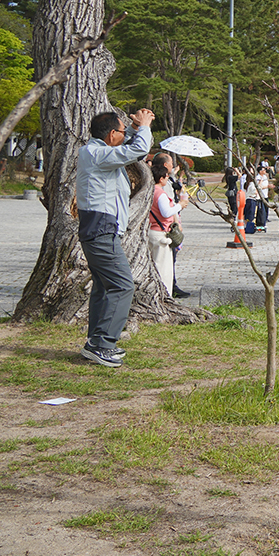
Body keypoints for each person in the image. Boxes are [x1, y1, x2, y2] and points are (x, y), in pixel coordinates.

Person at [77, 108, 154, 367]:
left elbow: (129, 146)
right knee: (122, 285)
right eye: (122, 132)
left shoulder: (97, 152)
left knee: (104, 287)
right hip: (102, 230)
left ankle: (95, 343)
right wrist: (143, 127)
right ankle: (103, 345)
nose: (125, 135)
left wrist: (132, 129)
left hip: (98, 229)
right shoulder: (98, 154)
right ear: (111, 134)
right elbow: (135, 150)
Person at [146, 154, 183, 296]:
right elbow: (166, 211)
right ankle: (163, 295)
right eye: (166, 177)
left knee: (155, 264)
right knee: (163, 267)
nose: (168, 178)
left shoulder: (149, 190)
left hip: (152, 231)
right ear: (161, 178)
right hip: (160, 234)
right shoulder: (159, 193)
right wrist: (179, 206)